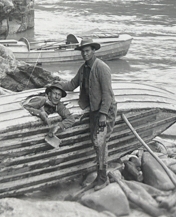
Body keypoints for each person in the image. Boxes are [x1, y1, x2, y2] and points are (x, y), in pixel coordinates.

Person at [60, 38, 117, 189]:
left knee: (100, 143)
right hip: (93, 109)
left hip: (105, 110)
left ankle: (103, 179)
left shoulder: (102, 68)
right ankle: (100, 176)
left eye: (87, 51)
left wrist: (103, 115)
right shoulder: (84, 68)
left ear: (93, 51)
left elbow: (107, 95)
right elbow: (72, 84)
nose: (84, 54)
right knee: (96, 142)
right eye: (82, 52)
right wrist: (56, 85)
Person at [22, 83, 76, 148]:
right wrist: (40, 113)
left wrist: (58, 126)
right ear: (49, 94)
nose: (57, 97)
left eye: (59, 94)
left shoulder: (59, 106)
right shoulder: (42, 100)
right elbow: (26, 107)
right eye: (55, 93)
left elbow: (71, 119)